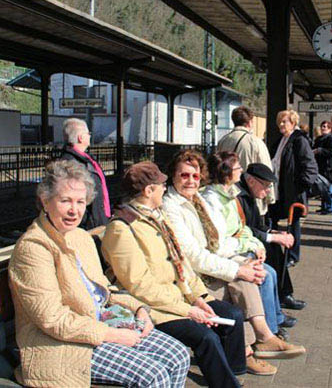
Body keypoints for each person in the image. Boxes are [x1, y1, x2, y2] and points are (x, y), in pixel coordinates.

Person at [9, 160, 190, 388]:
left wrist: (140, 309)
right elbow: (52, 319)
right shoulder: (33, 248)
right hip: (63, 344)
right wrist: (110, 335)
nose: (74, 210)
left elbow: (105, 291)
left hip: (102, 323)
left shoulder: (79, 237)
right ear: (45, 201)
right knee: (153, 375)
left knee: (178, 355)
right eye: (65, 201)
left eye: (80, 202)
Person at [102, 161, 246, 388]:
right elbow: (140, 286)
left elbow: (182, 263)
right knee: (205, 337)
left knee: (233, 316)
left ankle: (233, 373)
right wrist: (188, 310)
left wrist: (198, 297)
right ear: (149, 191)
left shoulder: (157, 215)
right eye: (162, 185)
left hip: (179, 295)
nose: (165, 189)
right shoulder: (121, 228)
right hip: (152, 307)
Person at [162, 151, 305, 375]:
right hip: (191, 278)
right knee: (243, 279)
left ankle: (259, 340)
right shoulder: (172, 206)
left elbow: (220, 240)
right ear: (173, 175)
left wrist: (244, 259)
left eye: (195, 176)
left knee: (249, 274)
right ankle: (252, 346)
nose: (190, 181)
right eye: (184, 175)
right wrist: (238, 268)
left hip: (210, 264)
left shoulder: (198, 199)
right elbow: (193, 256)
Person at [200, 152, 306, 358]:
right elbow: (220, 242)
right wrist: (254, 242)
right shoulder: (215, 199)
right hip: (225, 255)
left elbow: (243, 228)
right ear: (227, 172)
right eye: (238, 167)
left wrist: (256, 242)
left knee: (268, 271)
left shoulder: (230, 194)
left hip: (235, 249)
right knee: (263, 274)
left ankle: (272, 325)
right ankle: (268, 334)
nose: (241, 169)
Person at [236, 163, 307, 311]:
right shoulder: (239, 197)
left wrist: (274, 232)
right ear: (251, 181)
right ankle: (277, 303)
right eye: (266, 186)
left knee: (275, 245)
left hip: (249, 239)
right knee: (269, 264)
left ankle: (283, 294)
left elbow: (256, 225)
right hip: (240, 244)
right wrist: (272, 237)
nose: (269, 191)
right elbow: (244, 230)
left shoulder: (248, 195)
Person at [269, 109, 318, 265]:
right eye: (280, 122)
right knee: (273, 219)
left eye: (285, 121)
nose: (281, 125)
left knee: (293, 223)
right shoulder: (281, 140)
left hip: (292, 191)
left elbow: (310, 167)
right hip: (278, 189)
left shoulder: (299, 140)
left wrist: (300, 187)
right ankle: (276, 252)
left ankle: (292, 256)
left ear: (293, 123)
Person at [217, 106, 274, 215]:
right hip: (251, 198)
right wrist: (270, 198)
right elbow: (266, 171)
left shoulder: (223, 141)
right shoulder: (255, 142)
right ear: (250, 122)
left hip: (227, 195)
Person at [60, 118, 110, 229]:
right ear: (81, 138)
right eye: (88, 134)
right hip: (88, 224)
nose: (90, 136)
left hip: (97, 217)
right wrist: (86, 221)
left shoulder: (86, 159)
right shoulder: (70, 163)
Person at [313, 120, 332, 214]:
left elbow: (331, 152)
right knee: (321, 187)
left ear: (330, 129)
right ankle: (324, 206)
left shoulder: (331, 139)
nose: (323, 128)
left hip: (327, 167)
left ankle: (330, 207)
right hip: (319, 166)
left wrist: (320, 150)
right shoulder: (318, 139)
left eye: (326, 127)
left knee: (327, 187)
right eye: (322, 126)